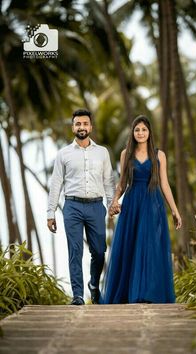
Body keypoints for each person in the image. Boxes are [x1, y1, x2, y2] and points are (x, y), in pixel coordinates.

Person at [101, 115, 182, 304]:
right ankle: (129, 293)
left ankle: (148, 293)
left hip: (153, 203)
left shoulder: (159, 155)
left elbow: (165, 184)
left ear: (149, 132)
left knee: (150, 246)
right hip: (132, 204)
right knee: (130, 245)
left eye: (144, 129)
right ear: (133, 133)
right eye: (137, 130)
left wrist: (175, 210)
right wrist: (114, 202)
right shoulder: (125, 154)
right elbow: (122, 183)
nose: (140, 133)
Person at [47, 108, 115, 305]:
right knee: (75, 251)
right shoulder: (63, 154)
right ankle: (77, 295)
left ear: (91, 127)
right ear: (73, 127)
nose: (82, 127)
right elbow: (56, 184)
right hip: (72, 207)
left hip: (96, 206)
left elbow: (108, 181)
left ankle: (93, 285)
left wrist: (111, 205)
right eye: (78, 124)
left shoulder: (102, 152)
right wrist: (50, 213)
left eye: (85, 124)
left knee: (99, 250)